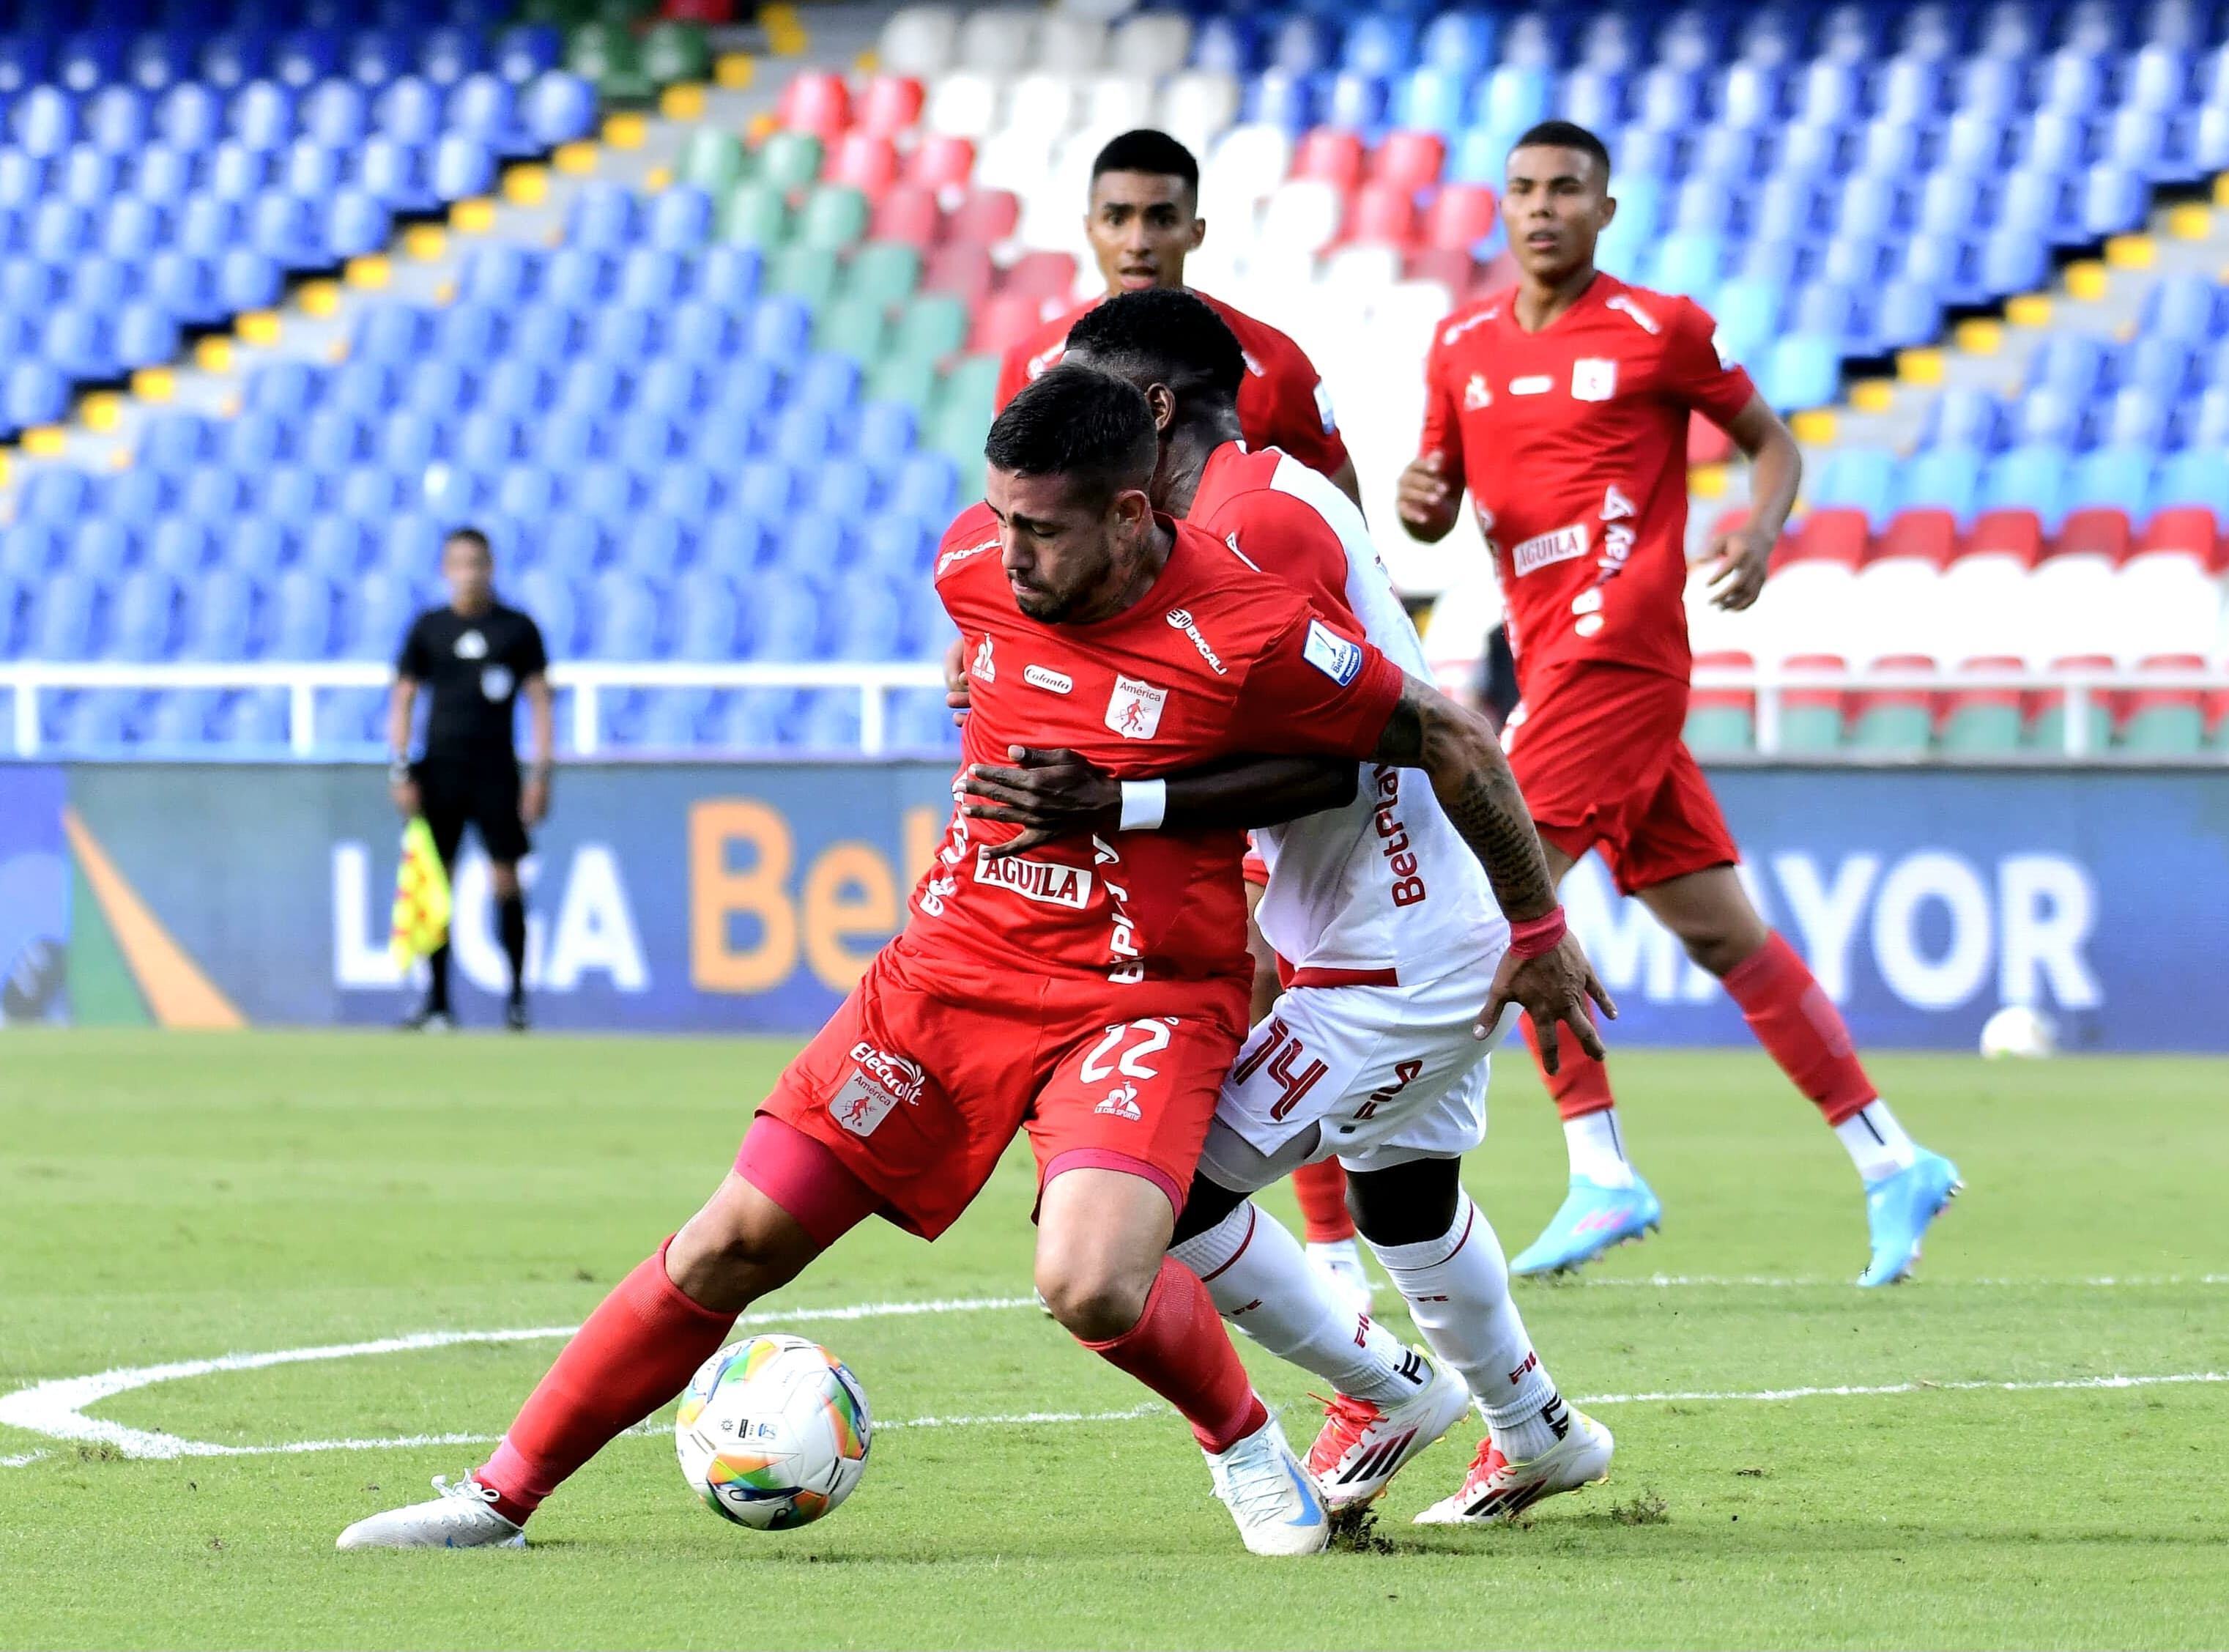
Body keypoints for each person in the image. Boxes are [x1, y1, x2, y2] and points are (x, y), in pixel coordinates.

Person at [336, 366, 1604, 1557]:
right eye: (998, 521)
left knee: (1094, 1282)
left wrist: (1529, 926)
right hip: (946, 977)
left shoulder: (1252, 629)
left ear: (1125, 514)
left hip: (1141, 999)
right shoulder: (972, 565)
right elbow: (993, 632)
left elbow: (1405, 742)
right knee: (729, 1240)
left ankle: (1243, 1440)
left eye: (1040, 533)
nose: (1007, 555)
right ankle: (499, 1495)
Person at [961, 289, 1618, 1525]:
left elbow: (1380, 745)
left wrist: (1123, 800)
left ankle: (1380, 1391)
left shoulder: (1252, 522)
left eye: (1098, 404)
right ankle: (1536, 1433)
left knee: (1169, 1192)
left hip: (1402, 946)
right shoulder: (1256, 497)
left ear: (1151, 411)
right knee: (1404, 1198)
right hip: (1376, 927)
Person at [1395, 120, 1962, 1287]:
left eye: (1565, 189)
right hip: (1542, 651)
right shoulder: (1457, 347)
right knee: (1718, 930)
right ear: (1499, 209)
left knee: (1497, 890)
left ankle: (1600, 1168)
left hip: (1621, 652)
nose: (1541, 206)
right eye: (1521, 189)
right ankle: (1887, 1154)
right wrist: (1413, 502)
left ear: (1604, 209)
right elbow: (1433, 503)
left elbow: (1770, 444)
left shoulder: (1660, 328)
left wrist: (1755, 533)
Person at [995, 125, 1373, 1284]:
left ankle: (1316, 1249)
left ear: (1196, 229)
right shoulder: (1041, 371)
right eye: (1120, 217)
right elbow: (1012, 527)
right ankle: (1192, 1196)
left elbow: (1330, 509)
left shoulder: (1264, 363)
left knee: (1264, 955)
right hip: (1115, 705)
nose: (1141, 238)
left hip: (1248, 700)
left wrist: (1341, 635)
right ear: (1091, 229)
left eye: (1162, 217)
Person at [387, 527, 552, 1032]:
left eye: (477, 562)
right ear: (445, 569)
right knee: (439, 883)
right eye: (459, 563)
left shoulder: (517, 628)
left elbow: (540, 700)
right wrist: (400, 766)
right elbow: (404, 696)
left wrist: (540, 772)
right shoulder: (428, 628)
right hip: (440, 769)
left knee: (505, 879)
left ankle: (518, 1001)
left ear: (491, 566)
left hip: (497, 771)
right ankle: (437, 1002)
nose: (469, 572)